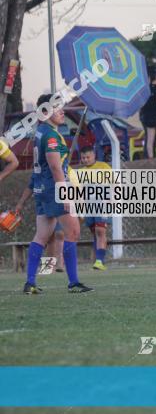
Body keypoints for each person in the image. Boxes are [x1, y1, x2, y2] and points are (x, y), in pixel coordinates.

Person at [23, 94, 92, 294]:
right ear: (45, 112)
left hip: (43, 190)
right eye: (57, 108)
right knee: (73, 231)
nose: (62, 111)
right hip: (54, 189)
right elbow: (54, 167)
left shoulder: (40, 132)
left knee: (43, 236)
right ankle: (73, 282)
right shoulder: (51, 136)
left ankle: (30, 282)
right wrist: (65, 193)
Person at [73, 146, 112, 270]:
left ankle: (99, 261)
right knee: (95, 233)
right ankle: (99, 260)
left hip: (102, 203)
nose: (85, 160)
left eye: (87, 157)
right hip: (88, 206)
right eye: (83, 158)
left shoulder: (103, 167)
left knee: (100, 231)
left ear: (94, 155)